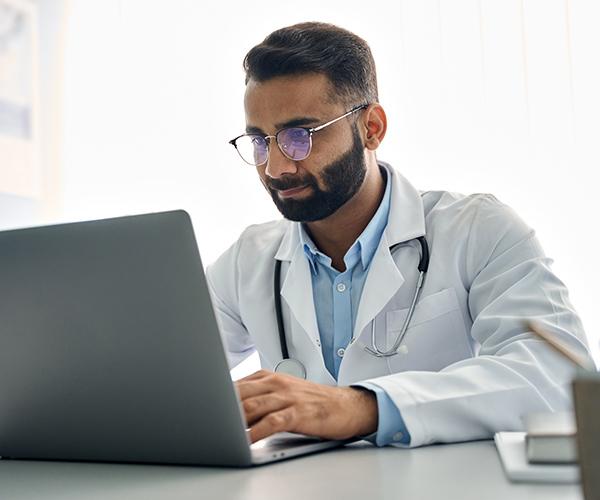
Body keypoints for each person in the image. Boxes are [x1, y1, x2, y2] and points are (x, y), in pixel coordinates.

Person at [206, 22, 592, 447]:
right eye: (261, 141)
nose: (277, 167)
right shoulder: (248, 260)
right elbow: (159, 378)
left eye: (301, 136)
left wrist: (361, 407)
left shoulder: (478, 230)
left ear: (371, 127)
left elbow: (557, 377)